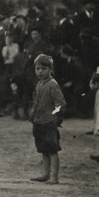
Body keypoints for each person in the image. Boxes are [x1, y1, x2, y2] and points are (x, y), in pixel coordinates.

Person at [28, 54, 66, 184]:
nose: (40, 71)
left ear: (50, 69)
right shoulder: (39, 84)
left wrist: (54, 116)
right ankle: (45, 174)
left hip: (49, 122)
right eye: (37, 69)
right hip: (39, 122)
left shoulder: (52, 84)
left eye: (43, 69)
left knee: (52, 150)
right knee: (43, 149)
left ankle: (54, 177)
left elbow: (60, 104)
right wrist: (32, 114)